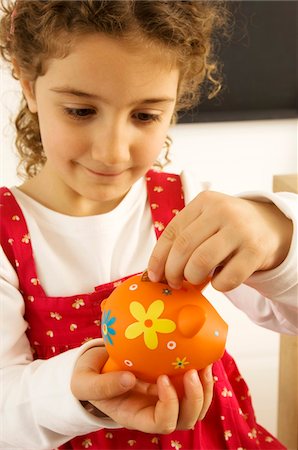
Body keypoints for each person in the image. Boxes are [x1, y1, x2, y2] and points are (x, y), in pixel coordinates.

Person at [0, 1, 297, 449]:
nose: (112, 151)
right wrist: (77, 392)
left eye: (145, 115)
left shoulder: (187, 206)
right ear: (28, 83)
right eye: (81, 111)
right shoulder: (5, 237)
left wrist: (276, 236)